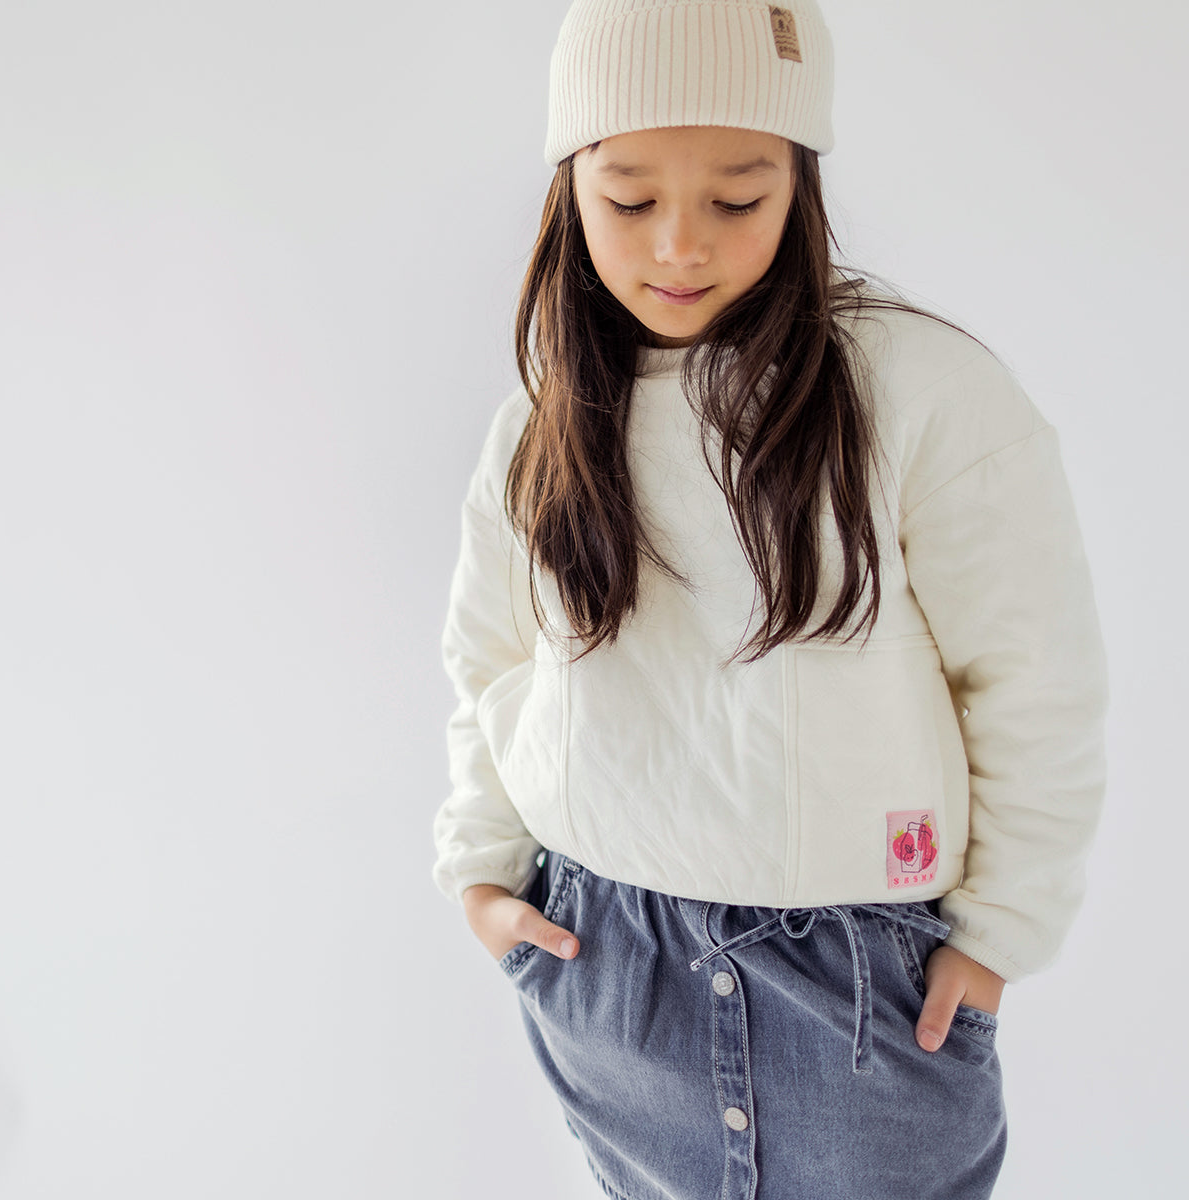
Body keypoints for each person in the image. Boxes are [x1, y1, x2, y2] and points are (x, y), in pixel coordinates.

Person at [432, 1, 1107, 1196]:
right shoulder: (539, 431)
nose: (679, 246)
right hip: (608, 965)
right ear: (567, 185)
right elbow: (491, 661)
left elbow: (1034, 680)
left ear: (799, 183)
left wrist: (1002, 930)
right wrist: (485, 874)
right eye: (629, 199)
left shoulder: (921, 392)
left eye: (737, 198)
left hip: (863, 982)